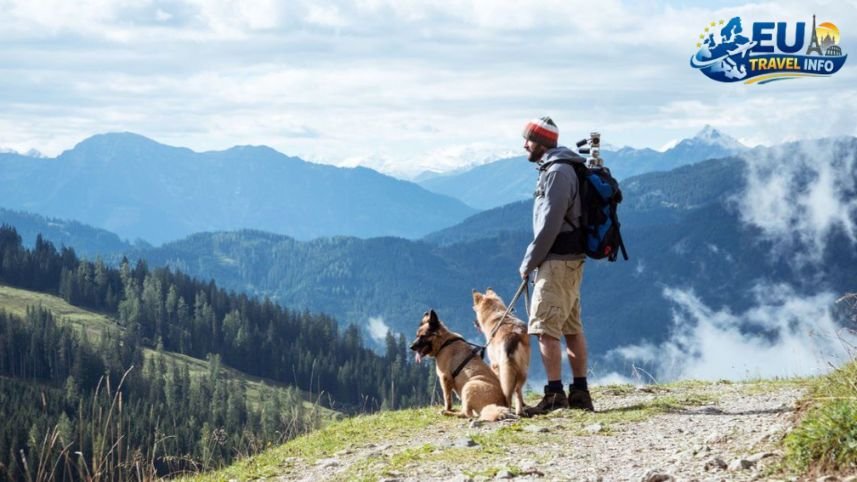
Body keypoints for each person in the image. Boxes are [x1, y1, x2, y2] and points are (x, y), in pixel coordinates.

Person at [518, 116, 595, 413]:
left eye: (528, 139)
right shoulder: (565, 167)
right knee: (571, 326)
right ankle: (579, 393)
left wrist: (529, 261)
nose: (525, 145)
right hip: (570, 260)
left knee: (546, 329)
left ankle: (554, 395)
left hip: (556, 261)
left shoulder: (557, 172)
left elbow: (550, 224)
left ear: (542, 142)